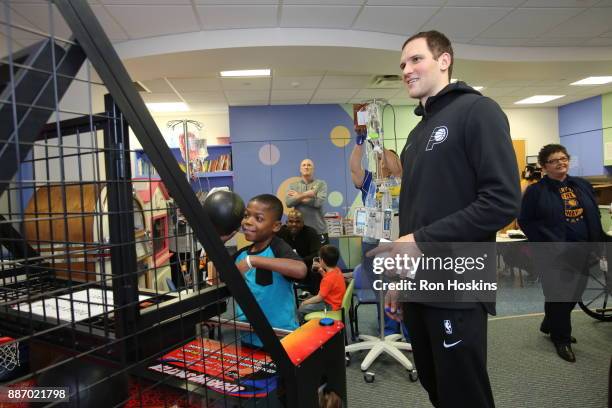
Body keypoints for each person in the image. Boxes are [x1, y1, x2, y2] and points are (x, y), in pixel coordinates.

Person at [385, 30, 521, 408]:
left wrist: (421, 241)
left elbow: (502, 201)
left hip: (457, 285)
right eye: (402, 65)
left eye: (416, 59)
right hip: (418, 285)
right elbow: (413, 215)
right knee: (435, 387)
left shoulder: (477, 111)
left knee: (464, 394)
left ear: (444, 60)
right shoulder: (416, 134)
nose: (406, 70)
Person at [518, 144, 607, 363]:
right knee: (559, 295)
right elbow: (525, 220)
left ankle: (550, 323)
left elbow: (593, 213)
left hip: (584, 249)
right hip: (555, 254)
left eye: (564, 158)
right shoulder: (536, 191)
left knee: (577, 292)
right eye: (554, 160)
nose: (561, 162)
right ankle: (561, 339)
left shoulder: (581, 185)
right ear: (544, 166)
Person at [349, 131, 405, 336]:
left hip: (399, 244)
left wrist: (381, 147)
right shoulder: (369, 181)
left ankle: (407, 332)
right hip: (373, 244)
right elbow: (354, 167)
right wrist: (360, 144)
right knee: (381, 289)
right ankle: (388, 330)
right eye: (380, 160)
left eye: (386, 159)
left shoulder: (402, 180)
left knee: (403, 288)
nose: (383, 163)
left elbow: (396, 167)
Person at [234, 194, 307, 347]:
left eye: (258, 218)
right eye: (246, 215)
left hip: (280, 335)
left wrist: (253, 261)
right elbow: (217, 278)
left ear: (275, 226)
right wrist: (221, 239)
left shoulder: (277, 247)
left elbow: (300, 269)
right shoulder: (242, 254)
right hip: (249, 335)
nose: (248, 221)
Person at [277, 209, 322, 293]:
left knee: (316, 270)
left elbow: (316, 253)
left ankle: (314, 296)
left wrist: (300, 261)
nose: (294, 224)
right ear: (286, 222)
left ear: (303, 223)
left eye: (298, 222)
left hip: (306, 264)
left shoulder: (311, 232)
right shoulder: (280, 232)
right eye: (291, 221)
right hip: (286, 265)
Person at [297, 244, 346, 322]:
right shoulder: (337, 270)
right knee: (309, 299)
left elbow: (319, 297)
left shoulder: (327, 279)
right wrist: (322, 271)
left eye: (319, 258)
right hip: (336, 300)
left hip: (330, 305)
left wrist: (305, 302)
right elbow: (331, 282)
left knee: (301, 308)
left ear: (322, 261)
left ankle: (302, 328)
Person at [285, 159, 329, 245]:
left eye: (309, 165)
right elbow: (289, 203)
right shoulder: (292, 186)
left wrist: (297, 196)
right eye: (304, 165)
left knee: (321, 257)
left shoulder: (321, 184)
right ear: (300, 169)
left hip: (319, 230)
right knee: (302, 258)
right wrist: (307, 194)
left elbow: (318, 203)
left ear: (313, 169)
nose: (306, 167)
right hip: (300, 230)